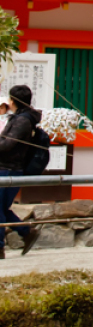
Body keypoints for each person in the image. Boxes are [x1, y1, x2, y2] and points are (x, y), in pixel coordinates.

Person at [0, 85, 40, 259]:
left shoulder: (22, 120)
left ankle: (0, 247)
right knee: (2, 208)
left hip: (9, 168)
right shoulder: (21, 118)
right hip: (8, 167)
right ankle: (27, 232)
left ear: (14, 101)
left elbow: (7, 145)